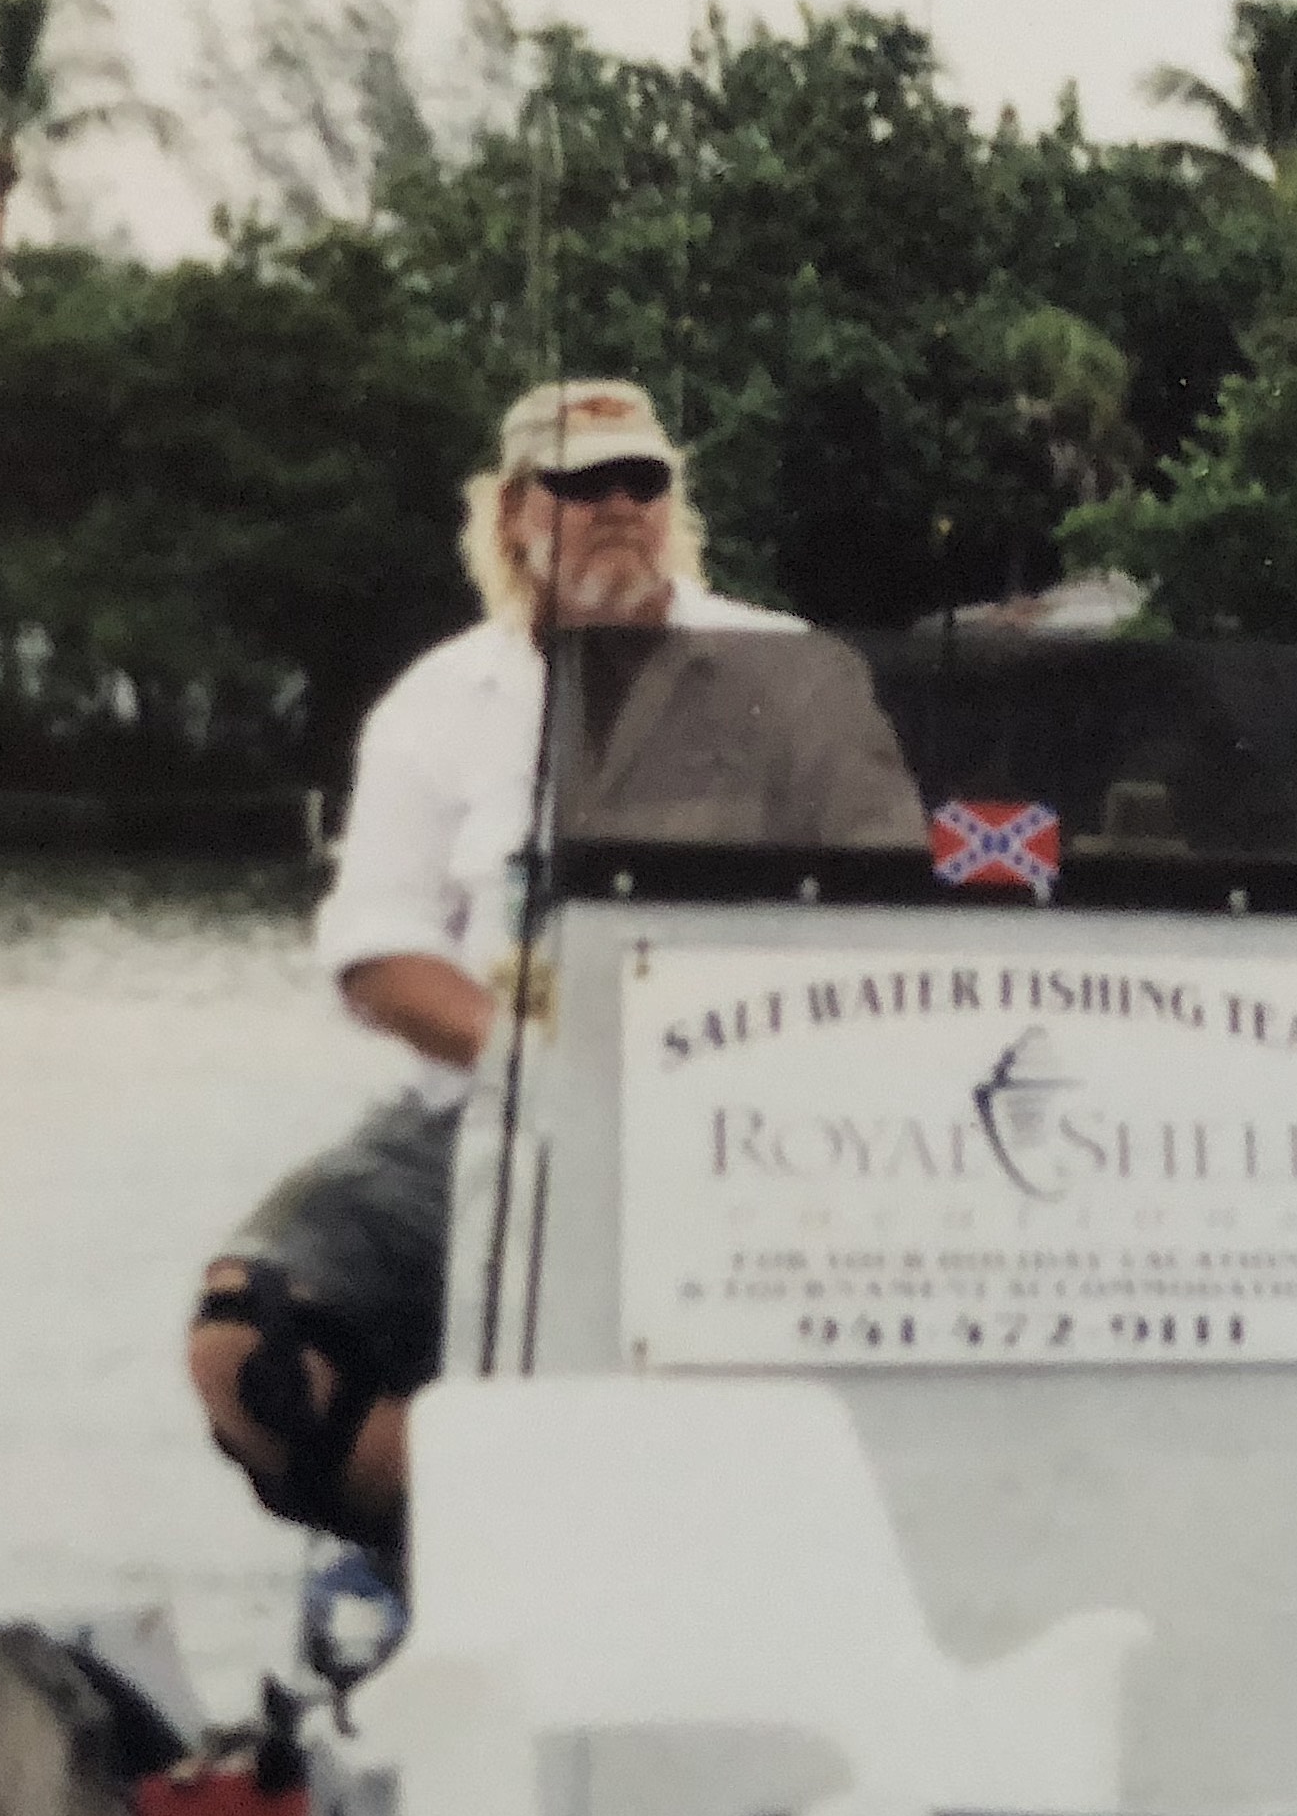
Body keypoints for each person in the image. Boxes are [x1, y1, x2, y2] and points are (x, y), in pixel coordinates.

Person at [186, 379, 921, 1557]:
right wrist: (545, 1069)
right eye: (586, 485)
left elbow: (898, 901)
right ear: (520, 509)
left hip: (750, 1128)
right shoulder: (435, 704)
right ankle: (510, 1544)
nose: (620, 506)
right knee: (250, 1343)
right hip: (487, 1116)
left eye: (645, 482)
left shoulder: (799, 676)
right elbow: (377, 953)